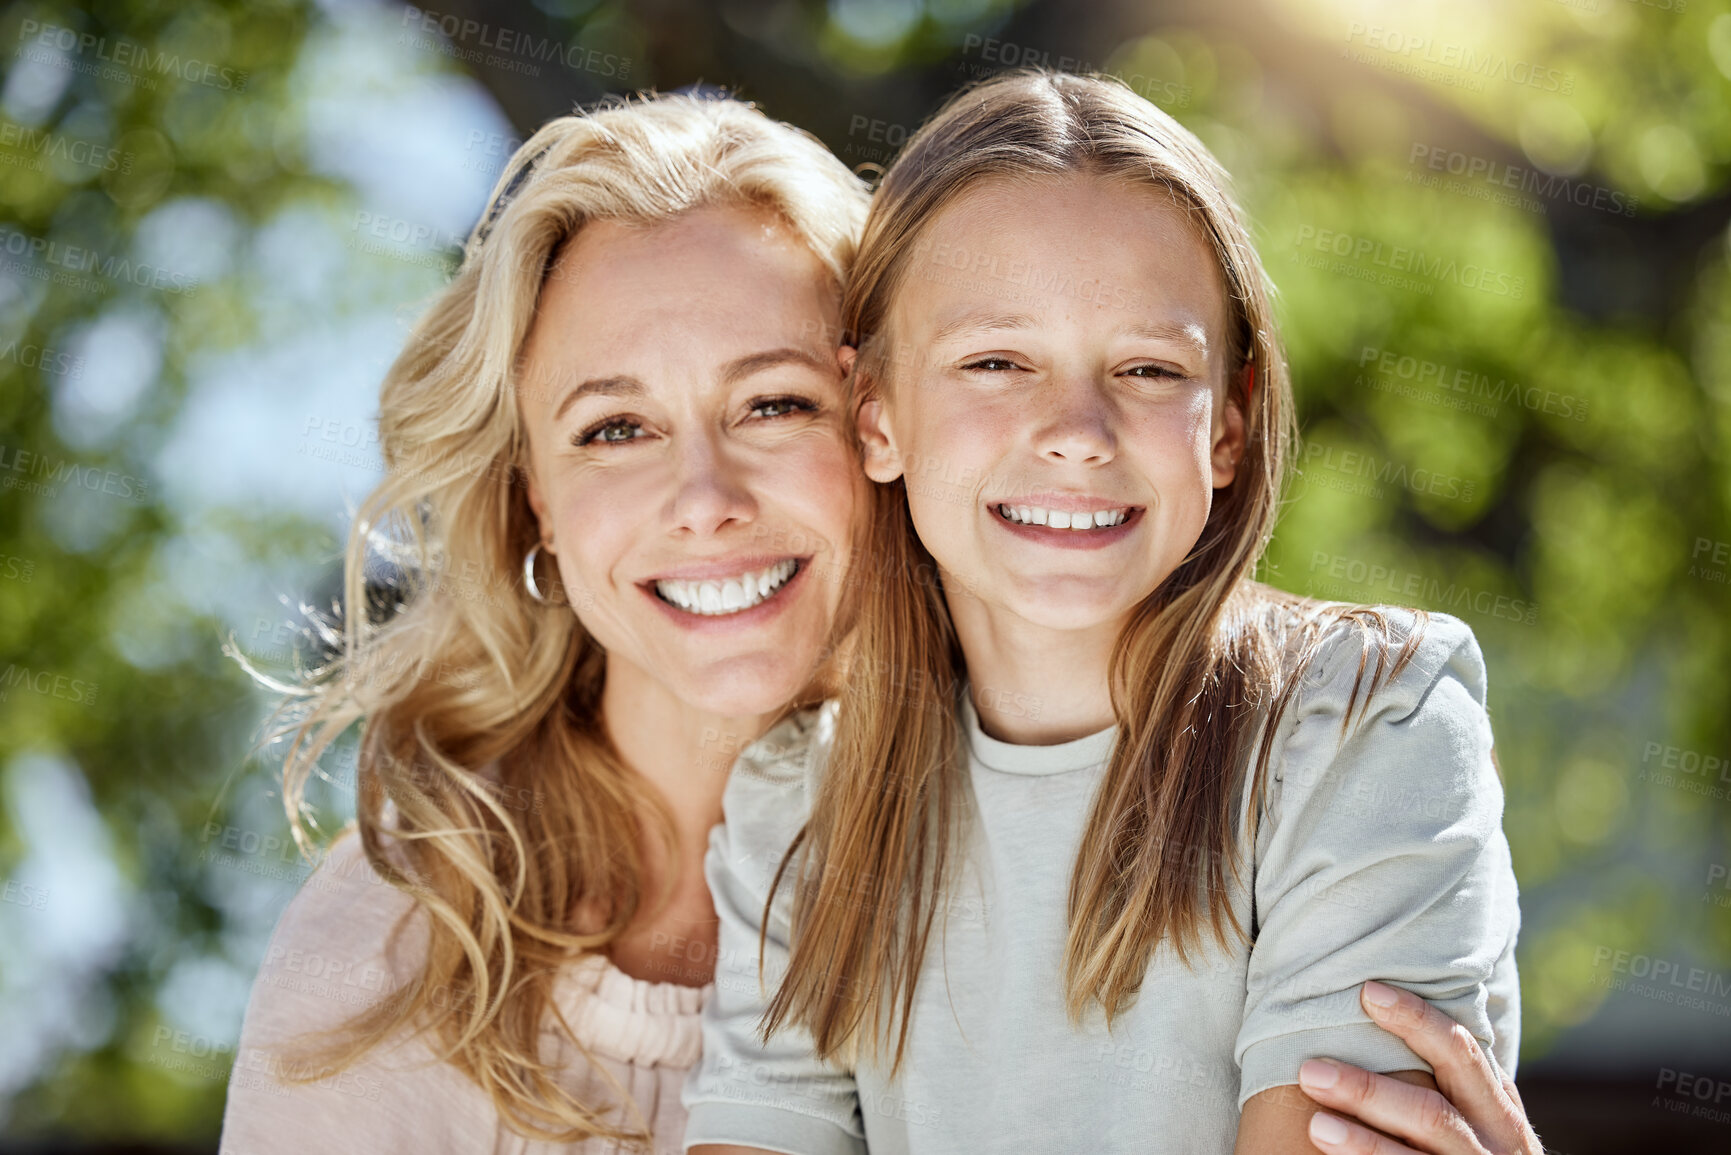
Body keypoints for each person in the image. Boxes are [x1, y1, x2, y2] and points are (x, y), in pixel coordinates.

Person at [683, 70, 1534, 1155]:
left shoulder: (1370, 720)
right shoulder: (800, 797)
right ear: (876, 414)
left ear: (1228, 425)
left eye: (1146, 366)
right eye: (995, 361)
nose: (1077, 429)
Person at [218, 92, 869, 1153]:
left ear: (879, 430)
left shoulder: (1033, 850)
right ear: (539, 509)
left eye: (774, 404)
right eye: (616, 428)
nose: (704, 497)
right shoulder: (392, 944)